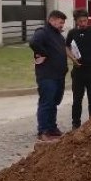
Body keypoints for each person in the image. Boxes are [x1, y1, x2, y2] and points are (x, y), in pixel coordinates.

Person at [29, 10, 68, 142]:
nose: (62, 25)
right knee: (46, 102)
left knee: (54, 102)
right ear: (52, 20)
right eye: (60, 22)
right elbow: (34, 43)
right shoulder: (43, 32)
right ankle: (43, 131)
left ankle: (52, 128)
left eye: (63, 23)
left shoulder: (58, 35)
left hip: (59, 75)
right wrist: (43, 53)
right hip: (47, 75)